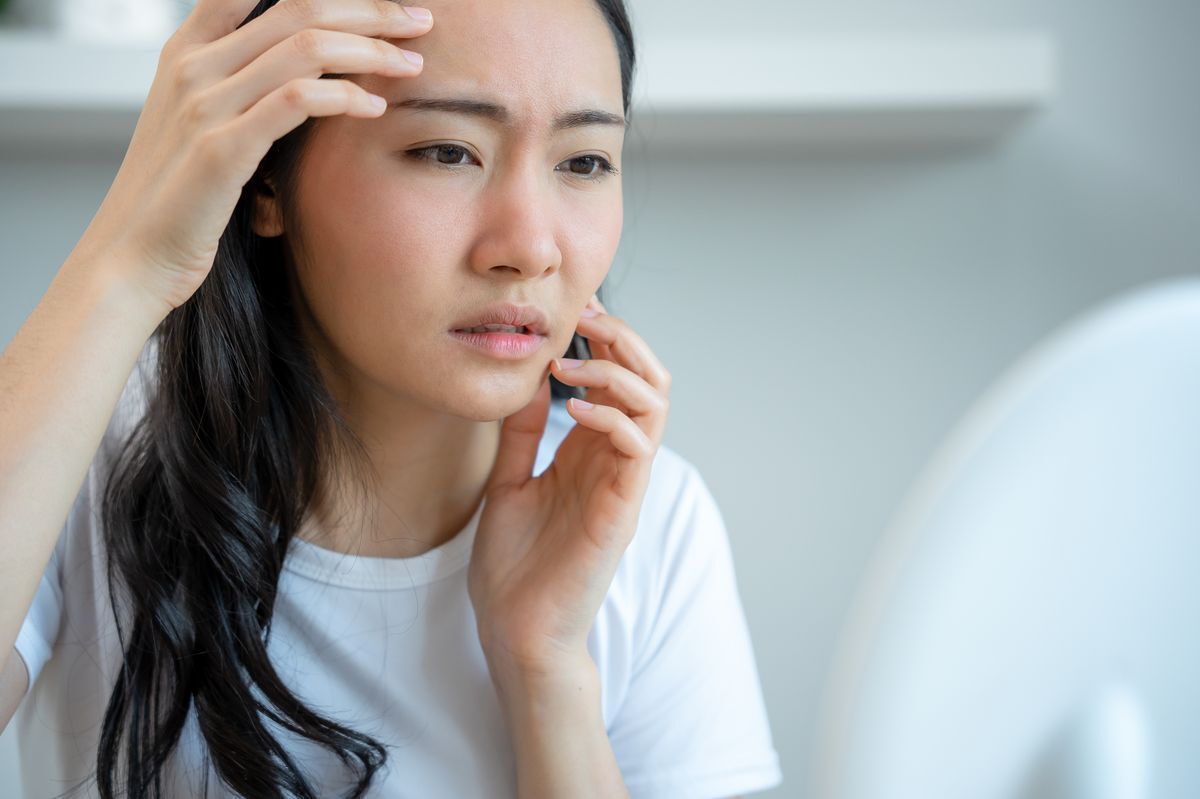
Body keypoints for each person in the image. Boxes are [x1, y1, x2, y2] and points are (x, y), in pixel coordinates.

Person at [0, 0, 783, 796]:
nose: (531, 248)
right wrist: (128, 259)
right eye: (447, 151)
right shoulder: (80, 451)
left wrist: (546, 669)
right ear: (264, 177)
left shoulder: (649, 525)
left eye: (583, 162)